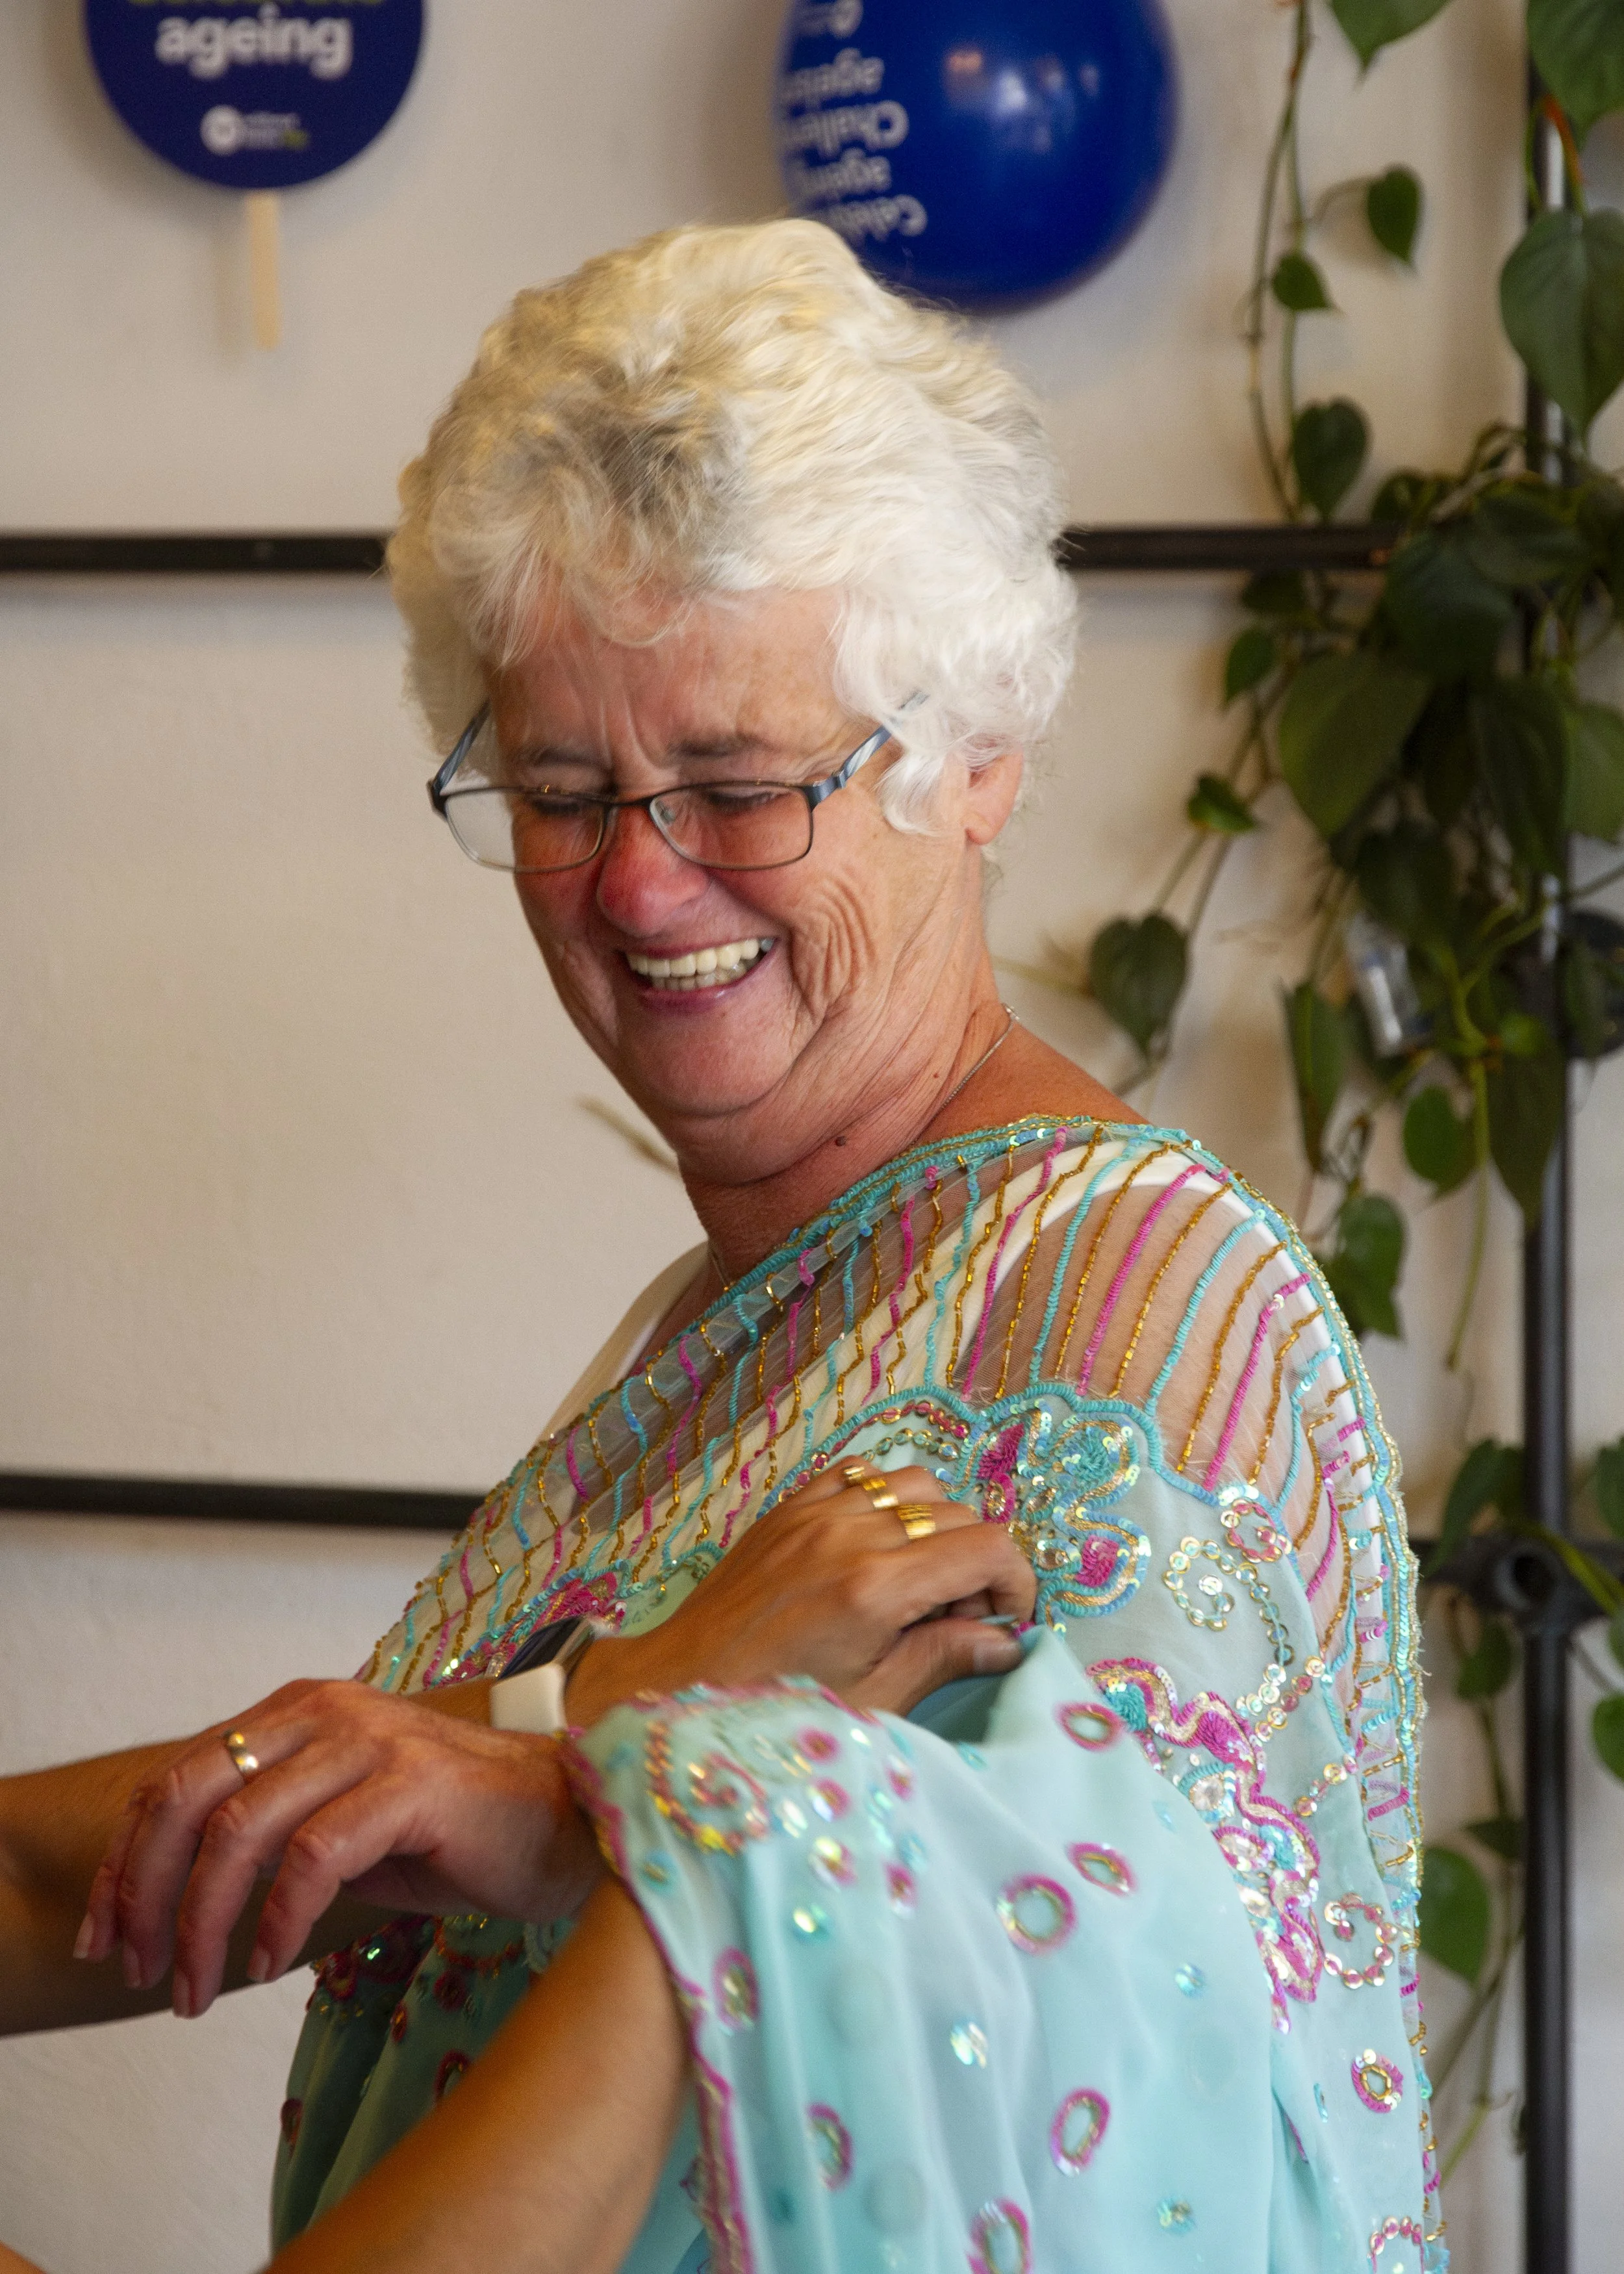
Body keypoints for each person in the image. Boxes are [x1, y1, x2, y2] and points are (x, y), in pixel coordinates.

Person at [0, 220, 1438, 2274]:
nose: (639, 883)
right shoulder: (713, 1315)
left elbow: (1125, 2041)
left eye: (741, 786)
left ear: (976, 760)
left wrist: (592, 1777)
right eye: (565, 785)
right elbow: (326, 1828)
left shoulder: (1125, 1302)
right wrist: (591, 1755)